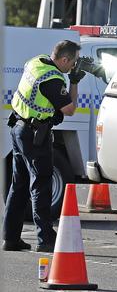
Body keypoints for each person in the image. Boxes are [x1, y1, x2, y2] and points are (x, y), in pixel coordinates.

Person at [2, 40, 85, 252]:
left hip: (19, 127)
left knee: (19, 185)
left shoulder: (36, 62)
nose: (72, 67)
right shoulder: (53, 79)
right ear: (64, 59)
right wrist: (74, 82)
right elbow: (69, 109)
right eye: (72, 62)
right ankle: (46, 239)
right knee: (41, 185)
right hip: (34, 134)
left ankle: (10, 238)